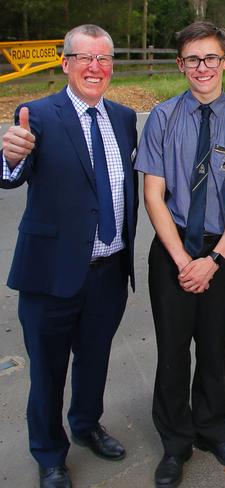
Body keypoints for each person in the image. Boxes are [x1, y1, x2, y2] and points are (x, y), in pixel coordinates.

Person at [0, 24, 138, 488]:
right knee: (48, 371)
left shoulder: (123, 117)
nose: (95, 68)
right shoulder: (35, 114)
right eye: (85, 58)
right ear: (65, 63)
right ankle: (49, 453)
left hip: (108, 272)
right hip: (50, 274)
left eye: (104, 59)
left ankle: (86, 425)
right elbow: (11, 172)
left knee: (95, 360)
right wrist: (9, 155)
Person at [135, 21, 225, 488]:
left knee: (214, 349)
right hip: (172, 249)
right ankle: (175, 442)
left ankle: (212, 429)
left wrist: (216, 259)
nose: (202, 67)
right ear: (180, 65)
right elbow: (153, 194)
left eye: (211, 57)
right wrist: (184, 260)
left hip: (222, 252)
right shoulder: (162, 119)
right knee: (172, 353)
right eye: (193, 59)